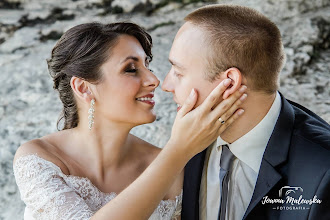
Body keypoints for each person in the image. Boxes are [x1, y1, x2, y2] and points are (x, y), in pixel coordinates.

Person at [13, 22, 247, 220]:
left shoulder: (174, 168)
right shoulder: (39, 159)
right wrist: (178, 150)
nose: (154, 80)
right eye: (131, 69)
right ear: (83, 88)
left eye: (147, 65)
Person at [161, 4, 330, 220]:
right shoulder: (186, 138)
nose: (166, 85)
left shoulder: (323, 171)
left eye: (178, 72)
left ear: (229, 83)